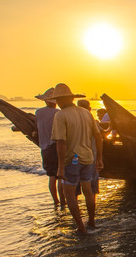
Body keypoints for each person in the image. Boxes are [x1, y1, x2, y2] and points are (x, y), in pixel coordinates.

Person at [49, 83, 103, 233]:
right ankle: (91, 222)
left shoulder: (60, 115)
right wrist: (99, 158)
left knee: (69, 193)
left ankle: (80, 227)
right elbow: (98, 137)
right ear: (72, 98)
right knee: (88, 190)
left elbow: (61, 142)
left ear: (59, 100)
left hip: (71, 160)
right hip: (88, 158)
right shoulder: (86, 113)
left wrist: (60, 167)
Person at [34, 87, 65, 208]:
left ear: (46, 101)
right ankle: (63, 201)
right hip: (56, 146)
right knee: (61, 174)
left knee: (52, 176)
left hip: (44, 147)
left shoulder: (38, 112)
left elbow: (36, 125)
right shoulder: (58, 113)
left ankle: (55, 201)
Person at [76, 99, 100, 200]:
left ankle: (74, 208)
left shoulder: (72, 121)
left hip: (75, 157)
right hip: (91, 156)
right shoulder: (93, 121)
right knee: (92, 184)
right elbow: (100, 136)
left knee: (74, 183)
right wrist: (100, 157)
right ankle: (91, 211)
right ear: (89, 109)